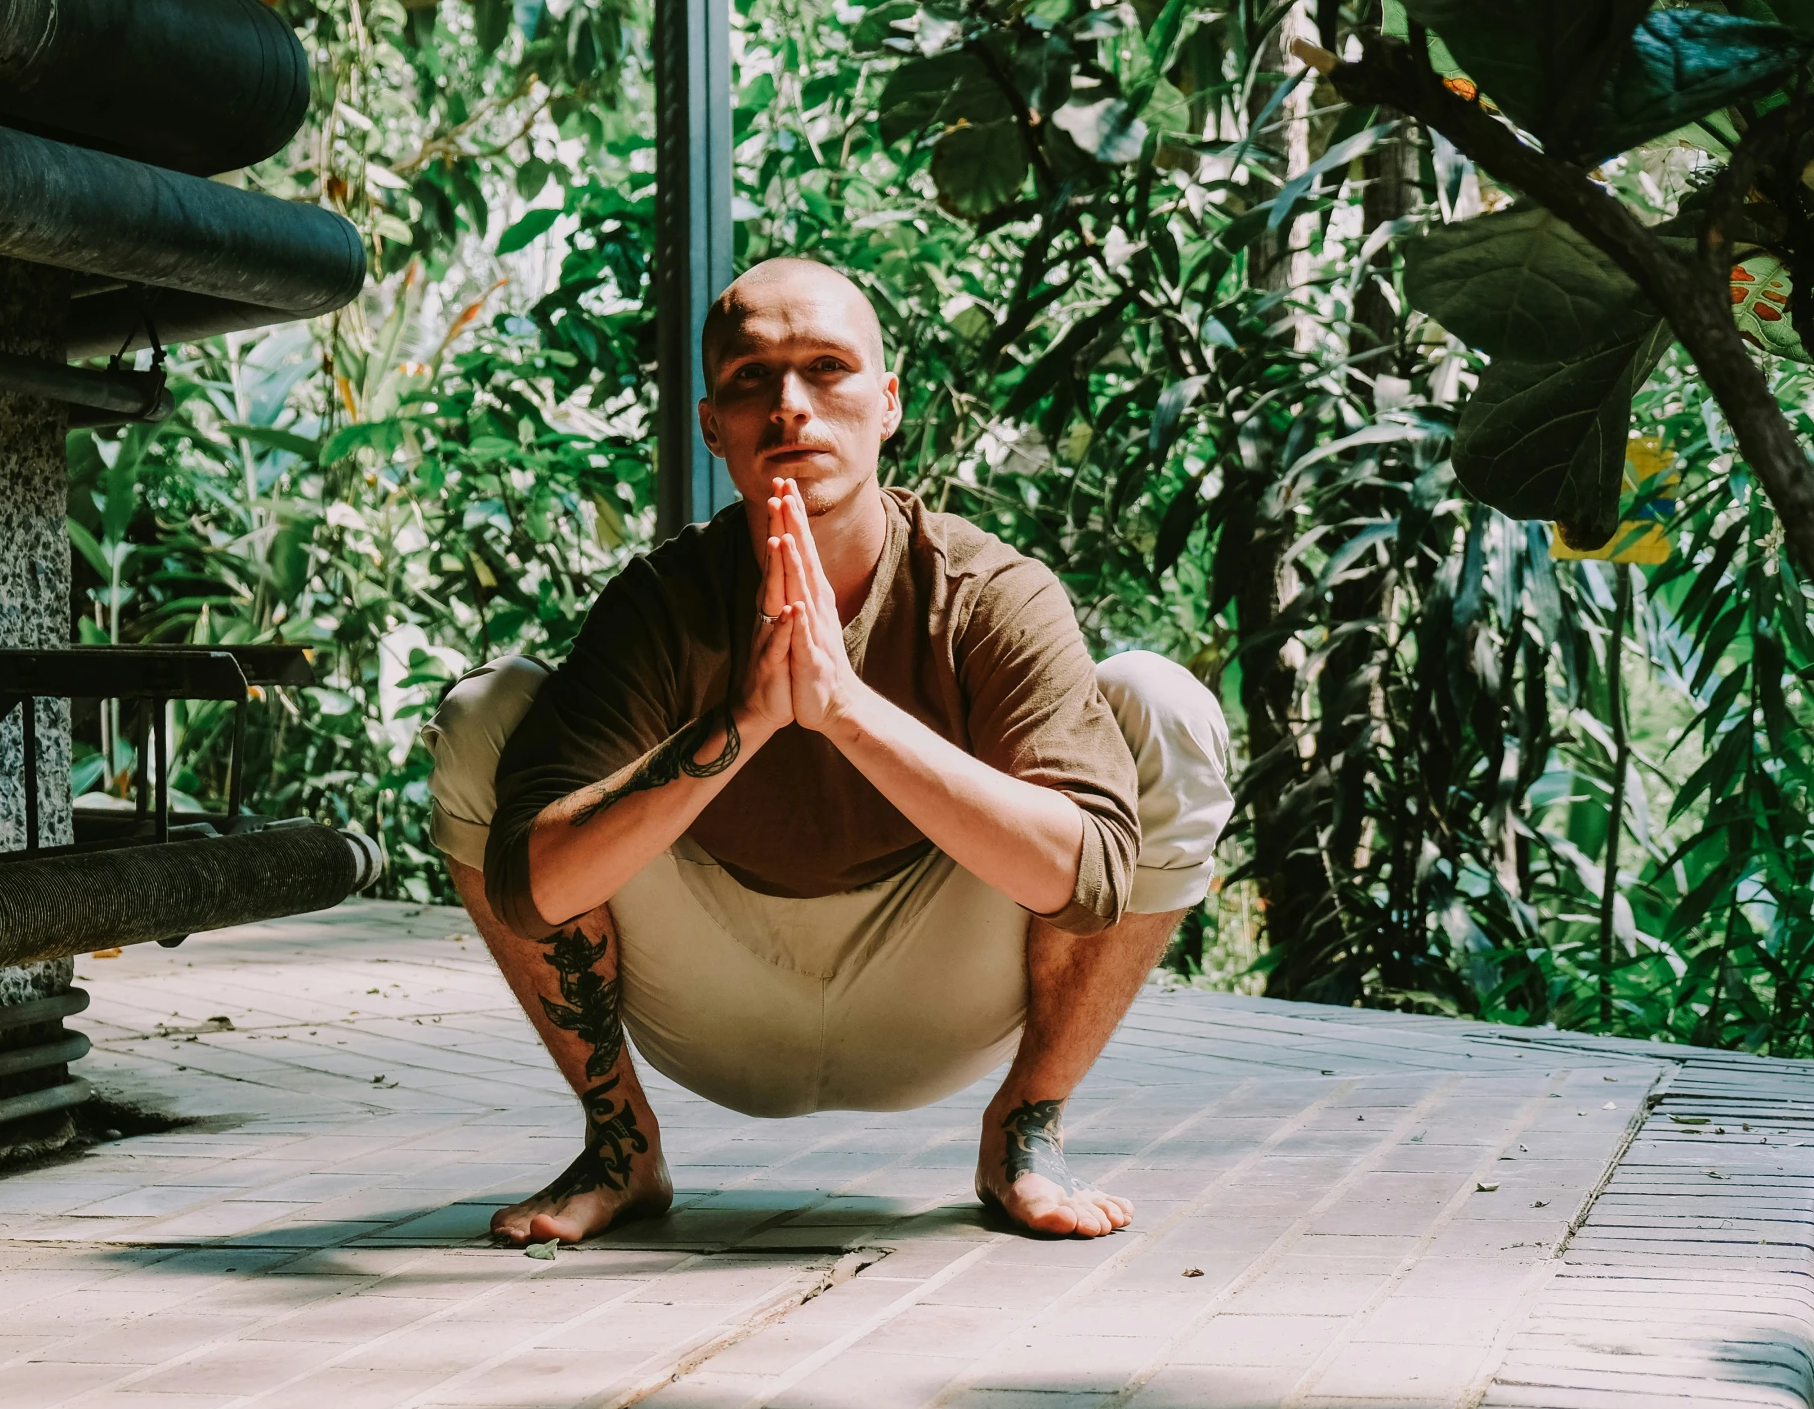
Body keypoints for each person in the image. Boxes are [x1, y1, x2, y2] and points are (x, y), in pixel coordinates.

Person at [422, 257, 1231, 1245]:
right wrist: (745, 722)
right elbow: (529, 888)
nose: (790, 406)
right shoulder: (660, 604)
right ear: (712, 422)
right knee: (485, 715)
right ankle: (619, 1148)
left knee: (1161, 703)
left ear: (886, 403)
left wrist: (844, 708)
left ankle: (1026, 1130)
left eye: (827, 368)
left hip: (938, 983)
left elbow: (1092, 878)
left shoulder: (988, 592)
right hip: (714, 995)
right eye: (751, 379)